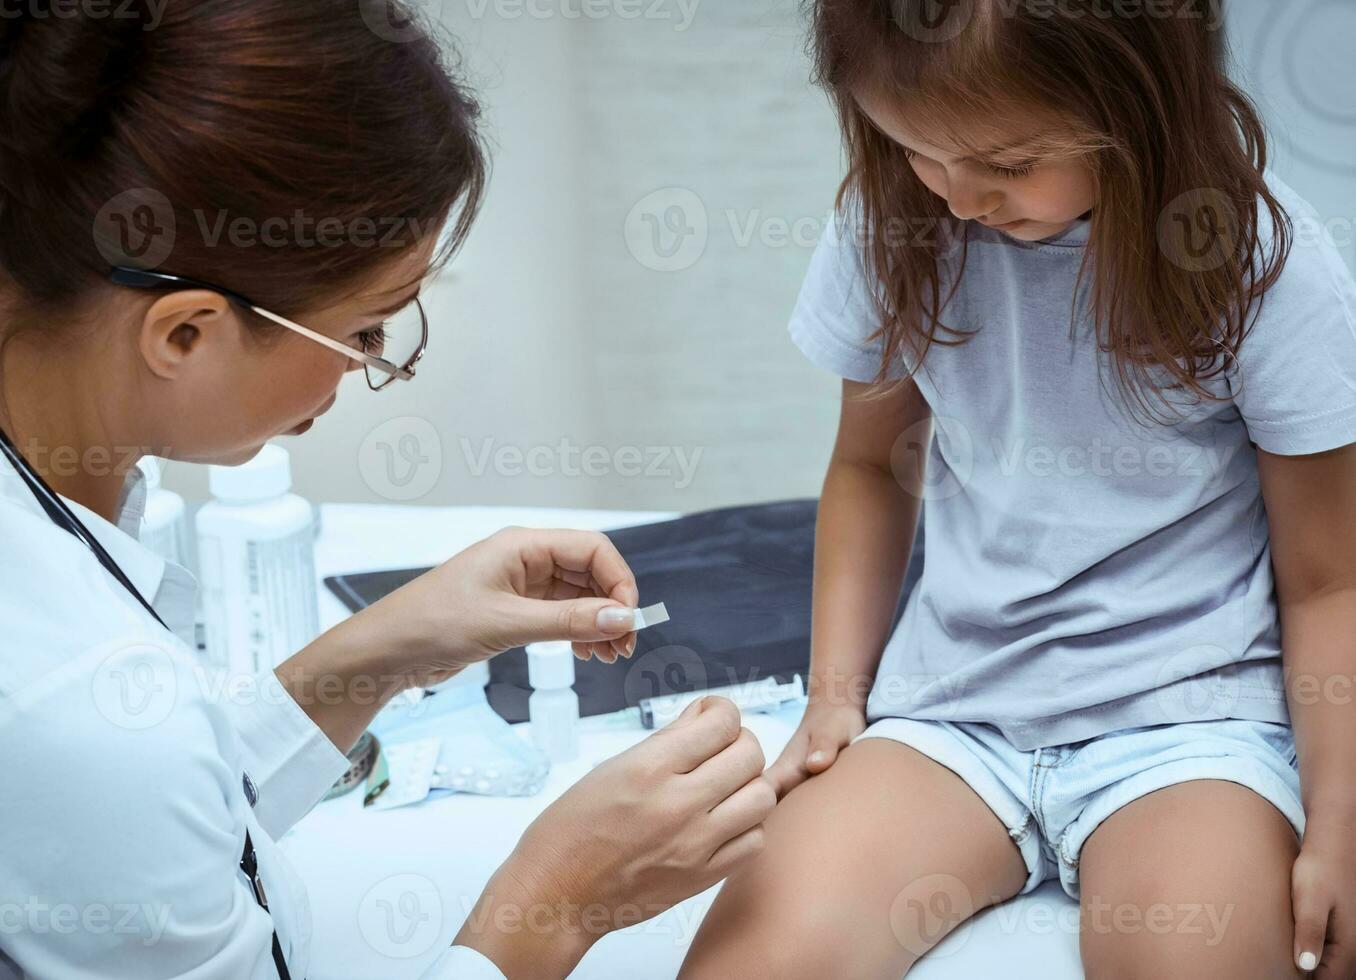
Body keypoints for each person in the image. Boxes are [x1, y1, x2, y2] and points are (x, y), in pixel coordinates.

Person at [0, 3, 773, 978]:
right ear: (185, 332)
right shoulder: (80, 706)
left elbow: (147, 823)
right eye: (366, 333)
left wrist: (385, 649)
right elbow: (124, 774)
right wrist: (552, 906)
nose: (367, 369)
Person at [679, 1, 1356, 978]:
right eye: (915, 149)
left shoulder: (1263, 265)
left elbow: (1331, 577)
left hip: (1188, 723)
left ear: (1137, 101)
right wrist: (835, 696)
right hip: (952, 711)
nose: (959, 199)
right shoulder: (896, 224)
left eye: (1005, 164)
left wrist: (1338, 819)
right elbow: (873, 467)